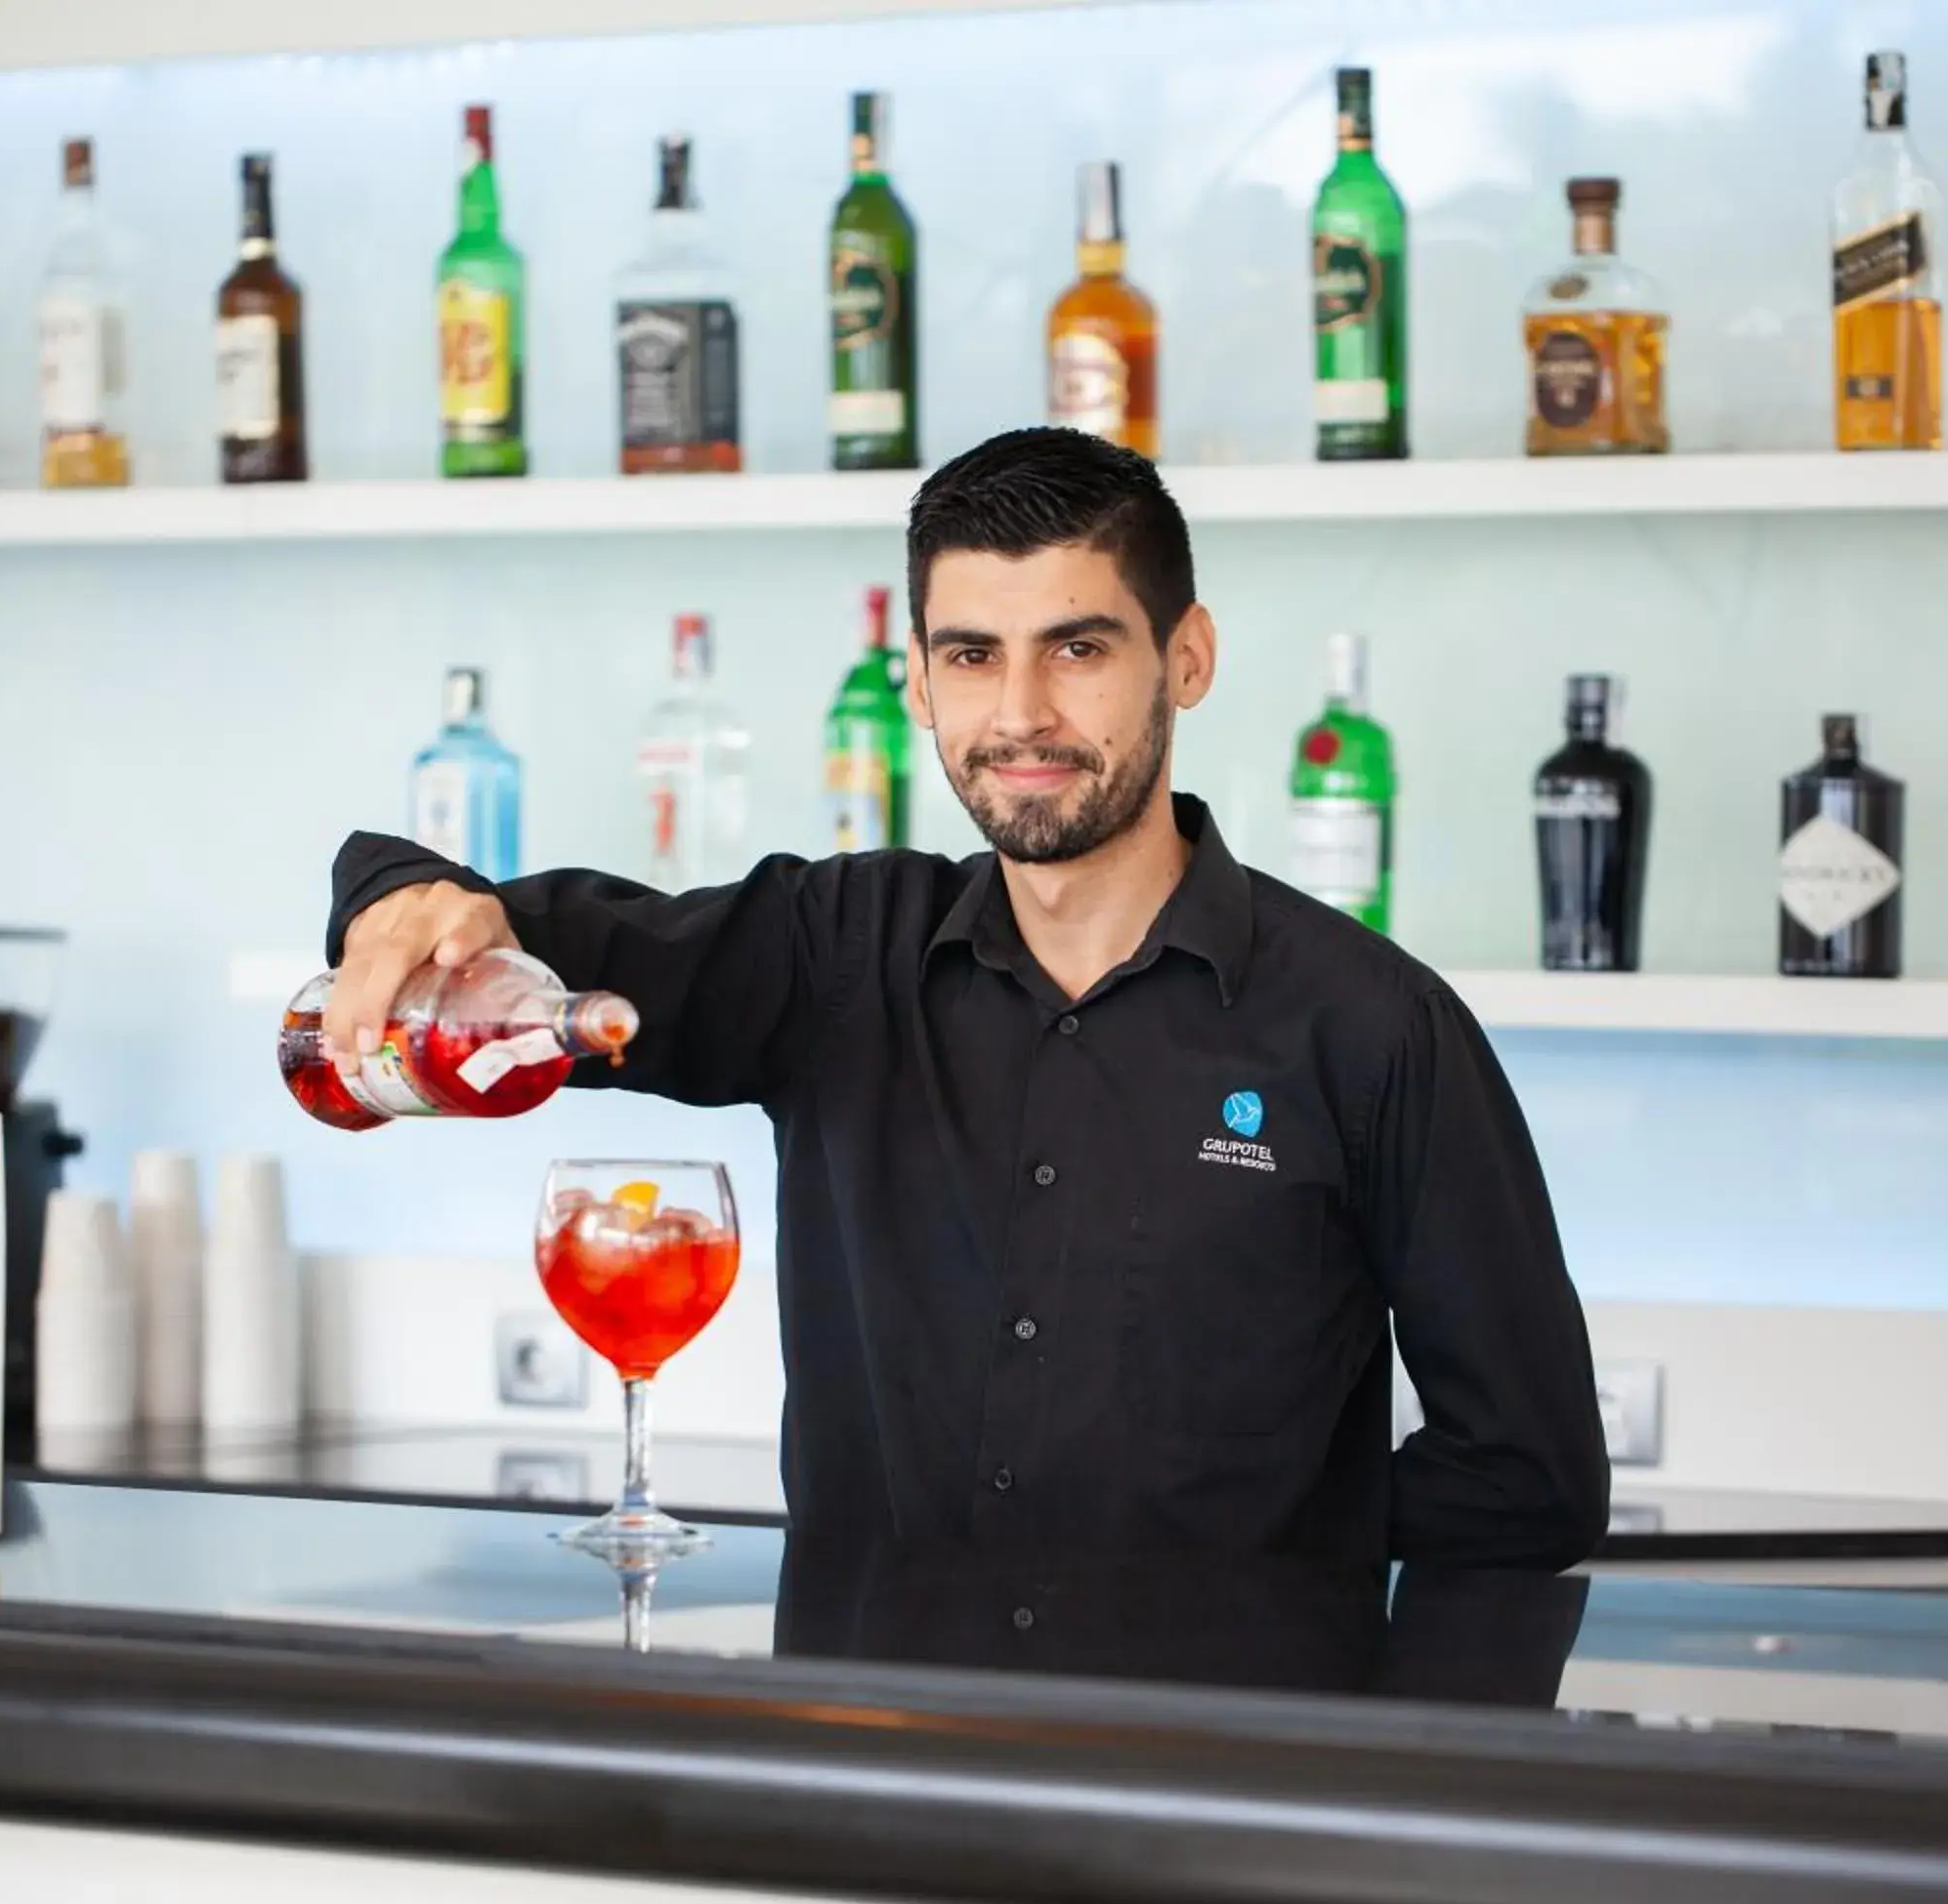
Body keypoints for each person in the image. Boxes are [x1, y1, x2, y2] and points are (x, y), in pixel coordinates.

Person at [323, 428, 1608, 1565]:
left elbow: (1528, 1478)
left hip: (1213, 1798)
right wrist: (403, 898)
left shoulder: (1373, 1025)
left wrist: (1255, 1569)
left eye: (1080, 648)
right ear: (921, 686)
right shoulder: (830, 954)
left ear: (1188, 657)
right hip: (872, 1790)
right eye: (974, 656)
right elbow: (496, 924)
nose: (1022, 714)